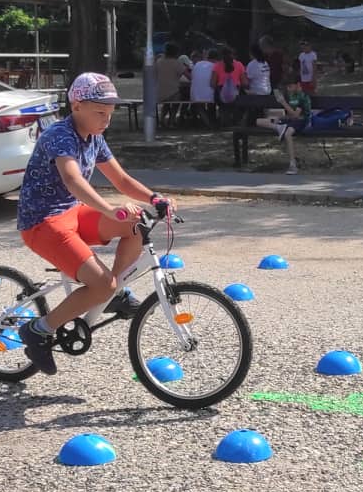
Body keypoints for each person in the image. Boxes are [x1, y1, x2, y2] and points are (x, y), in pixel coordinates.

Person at [15, 73, 172, 376]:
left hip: (71, 213)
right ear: (76, 106)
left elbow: (122, 180)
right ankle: (38, 330)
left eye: (110, 114)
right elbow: (73, 181)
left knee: (137, 224)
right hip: (42, 222)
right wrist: (110, 210)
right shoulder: (59, 135)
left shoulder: (95, 137)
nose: (106, 120)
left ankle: (111, 293)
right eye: (100, 112)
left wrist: (154, 198)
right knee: (101, 284)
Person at [254, 79, 314, 174]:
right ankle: (279, 127)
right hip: (290, 120)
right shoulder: (290, 95)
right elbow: (289, 114)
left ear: (297, 85)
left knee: (287, 133)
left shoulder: (303, 96)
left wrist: (283, 102)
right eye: (287, 87)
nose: (288, 89)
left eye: (290, 86)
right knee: (259, 121)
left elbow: (296, 115)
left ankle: (292, 164)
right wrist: (280, 117)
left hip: (301, 121)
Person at [154, 45, 184, 122]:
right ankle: (172, 119)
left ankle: (162, 119)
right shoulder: (177, 63)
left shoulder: (159, 61)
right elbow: (189, 76)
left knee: (166, 103)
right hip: (173, 94)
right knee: (177, 98)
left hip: (159, 93)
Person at [189, 49, 218, 125]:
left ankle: (208, 123)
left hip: (195, 95)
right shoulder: (215, 66)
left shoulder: (197, 64)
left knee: (199, 106)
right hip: (211, 96)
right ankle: (211, 123)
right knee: (211, 103)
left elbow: (192, 78)